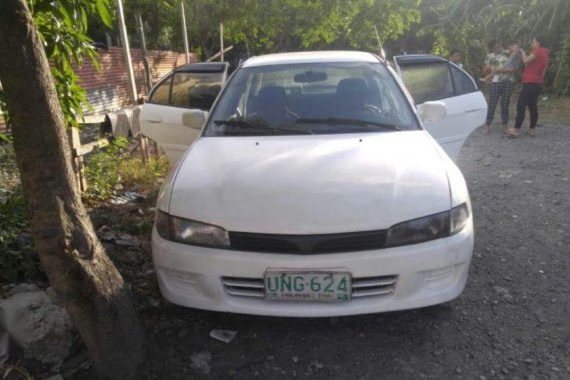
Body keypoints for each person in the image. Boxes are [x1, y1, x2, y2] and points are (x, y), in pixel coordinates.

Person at [507, 36, 550, 137]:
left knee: (521, 105)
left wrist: (522, 51)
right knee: (532, 106)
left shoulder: (538, 51)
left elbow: (525, 60)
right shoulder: (546, 53)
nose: (532, 44)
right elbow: (542, 70)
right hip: (537, 83)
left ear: (538, 43)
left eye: (533, 42)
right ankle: (532, 130)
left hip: (530, 82)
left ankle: (516, 129)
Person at [481, 41, 512, 134]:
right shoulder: (489, 56)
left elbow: (513, 67)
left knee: (505, 104)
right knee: (492, 104)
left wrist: (499, 70)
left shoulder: (508, 55)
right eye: (496, 46)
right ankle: (487, 125)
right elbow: (485, 69)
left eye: (500, 46)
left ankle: (504, 125)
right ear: (493, 48)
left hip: (507, 80)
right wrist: (489, 69)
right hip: (495, 81)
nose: (499, 48)